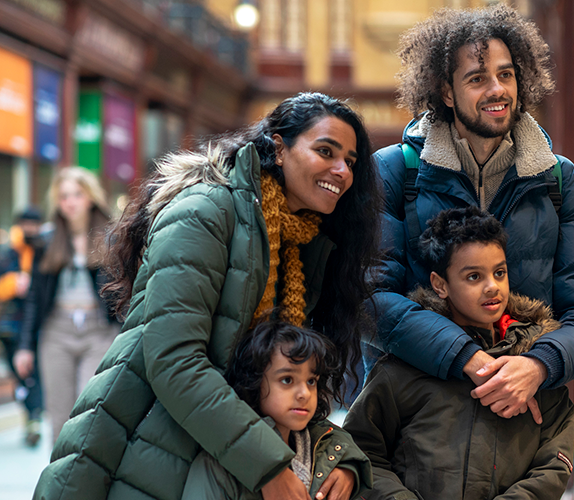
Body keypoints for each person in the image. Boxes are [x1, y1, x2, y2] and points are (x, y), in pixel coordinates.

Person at [33, 92, 383, 500]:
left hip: (221, 458)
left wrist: (339, 457)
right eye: (326, 151)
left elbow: (284, 378)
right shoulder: (206, 210)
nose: (341, 170)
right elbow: (174, 360)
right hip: (147, 448)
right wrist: (267, 466)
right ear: (278, 147)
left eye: (351, 162)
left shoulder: (305, 239)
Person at [368, 4, 574, 424]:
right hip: (415, 421)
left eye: (506, 74)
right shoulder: (394, 171)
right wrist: (466, 357)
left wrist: (538, 365)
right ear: (446, 92)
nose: (497, 90)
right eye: (477, 78)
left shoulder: (559, 180)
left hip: (518, 422)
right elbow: (369, 300)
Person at [346, 207, 574, 499]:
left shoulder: (534, 361)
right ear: (440, 284)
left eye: (499, 272)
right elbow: (362, 450)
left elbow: (555, 460)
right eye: (473, 277)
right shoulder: (405, 366)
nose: (492, 286)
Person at [183, 320, 372, 500]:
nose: (304, 393)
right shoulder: (218, 467)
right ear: (253, 382)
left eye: (311, 381)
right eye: (287, 380)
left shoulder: (323, 452)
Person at [13, 169, 117, 446]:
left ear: (91, 197)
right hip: (56, 331)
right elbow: (34, 297)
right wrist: (25, 347)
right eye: (63, 196)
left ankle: (90, 482)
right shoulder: (46, 241)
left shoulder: (112, 238)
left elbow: (124, 293)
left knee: (91, 408)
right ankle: (61, 485)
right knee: (59, 416)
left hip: (99, 332)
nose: (70, 202)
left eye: (77, 194)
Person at [0, 206, 45, 446]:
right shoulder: (6, 254)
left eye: (34, 224)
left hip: (39, 326)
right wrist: (11, 284)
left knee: (33, 374)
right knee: (20, 374)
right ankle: (32, 415)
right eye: (26, 224)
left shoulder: (45, 250)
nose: (30, 229)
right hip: (10, 326)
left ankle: (34, 418)